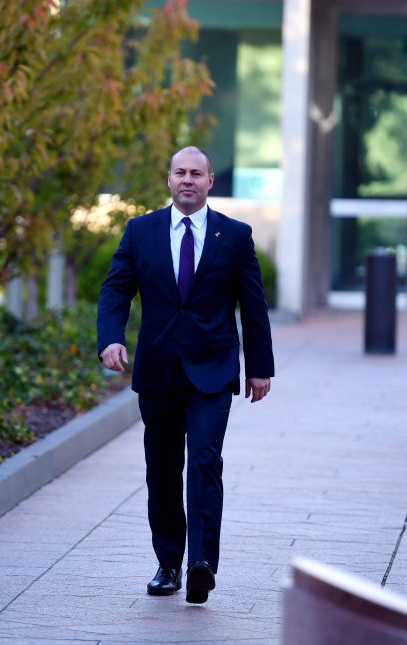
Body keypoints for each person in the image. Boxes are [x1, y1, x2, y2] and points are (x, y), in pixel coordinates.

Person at [96, 146, 274, 604]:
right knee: (162, 469)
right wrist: (110, 338)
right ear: (169, 179)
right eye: (180, 172)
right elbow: (116, 288)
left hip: (213, 371)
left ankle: (201, 564)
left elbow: (252, 305)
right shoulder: (141, 231)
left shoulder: (233, 236)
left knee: (204, 462)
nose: (188, 180)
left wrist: (260, 369)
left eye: (197, 173)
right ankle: (169, 563)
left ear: (211, 180)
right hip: (158, 371)